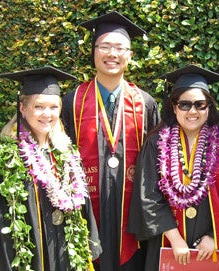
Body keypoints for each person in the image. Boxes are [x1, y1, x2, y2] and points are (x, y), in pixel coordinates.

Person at [61, 11, 160, 271]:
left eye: (119, 48)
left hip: (133, 218)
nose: (111, 54)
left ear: (130, 55)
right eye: (104, 46)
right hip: (87, 214)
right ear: (93, 52)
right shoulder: (71, 103)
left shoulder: (145, 103)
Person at [0, 66, 102, 271]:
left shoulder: (68, 156)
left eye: (54, 107)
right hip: (26, 260)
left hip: (66, 257)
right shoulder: (2, 159)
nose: (47, 114)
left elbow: (83, 211)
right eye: (38, 106)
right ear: (23, 108)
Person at [127, 64, 219, 271]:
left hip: (208, 246)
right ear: (174, 107)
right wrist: (175, 239)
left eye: (200, 104)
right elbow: (148, 195)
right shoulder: (156, 143)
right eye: (185, 105)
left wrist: (215, 235)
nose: (192, 111)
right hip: (166, 242)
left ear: (209, 107)